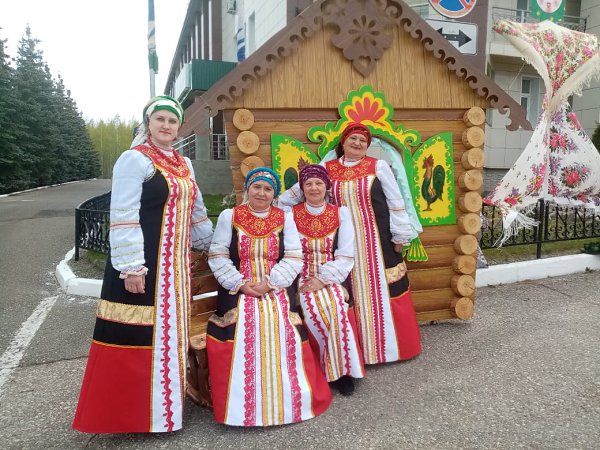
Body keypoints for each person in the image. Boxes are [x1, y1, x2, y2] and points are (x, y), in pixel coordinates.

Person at [73, 95, 214, 433]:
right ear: (148, 123)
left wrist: (213, 245)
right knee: (139, 337)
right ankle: (135, 415)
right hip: (143, 267)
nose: (166, 125)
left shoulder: (184, 164)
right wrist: (132, 266)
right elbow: (123, 214)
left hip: (176, 270)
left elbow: (196, 212)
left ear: (179, 128)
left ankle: (167, 412)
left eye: (172, 121)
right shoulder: (134, 160)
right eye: (160, 119)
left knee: (170, 335)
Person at [279, 123, 421, 365]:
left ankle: (389, 350)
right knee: (348, 291)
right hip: (339, 241)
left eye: (362, 141)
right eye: (353, 139)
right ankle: (356, 353)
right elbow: (301, 190)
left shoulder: (378, 166)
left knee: (382, 289)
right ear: (343, 143)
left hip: (376, 241)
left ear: (368, 146)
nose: (357, 143)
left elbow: (395, 201)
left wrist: (400, 236)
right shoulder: (327, 168)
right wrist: (275, 209)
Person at [206, 167, 331, 426]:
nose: (261, 193)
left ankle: (287, 401)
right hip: (238, 288)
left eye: (267, 189)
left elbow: (294, 256)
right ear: (247, 189)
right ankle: (242, 407)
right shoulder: (230, 216)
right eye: (257, 187)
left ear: (274, 194)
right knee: (246, 322)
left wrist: (271, 283)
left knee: (279, 321)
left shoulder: (285, 218)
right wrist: (240, 284)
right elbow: (218, 254)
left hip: (275, 286)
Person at [293, 164, 365, 395]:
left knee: (336, 307)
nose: (314, 188)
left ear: (327, 186)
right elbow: (289, 253)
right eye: (308, 184)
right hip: (301, 275)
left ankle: (343, 372)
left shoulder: (340, 213)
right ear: (302, 188)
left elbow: (345, 254)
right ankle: (323, 368)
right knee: (313, 309)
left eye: (319, 183)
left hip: (330, 274)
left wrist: (323, 279)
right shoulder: (290, 214)